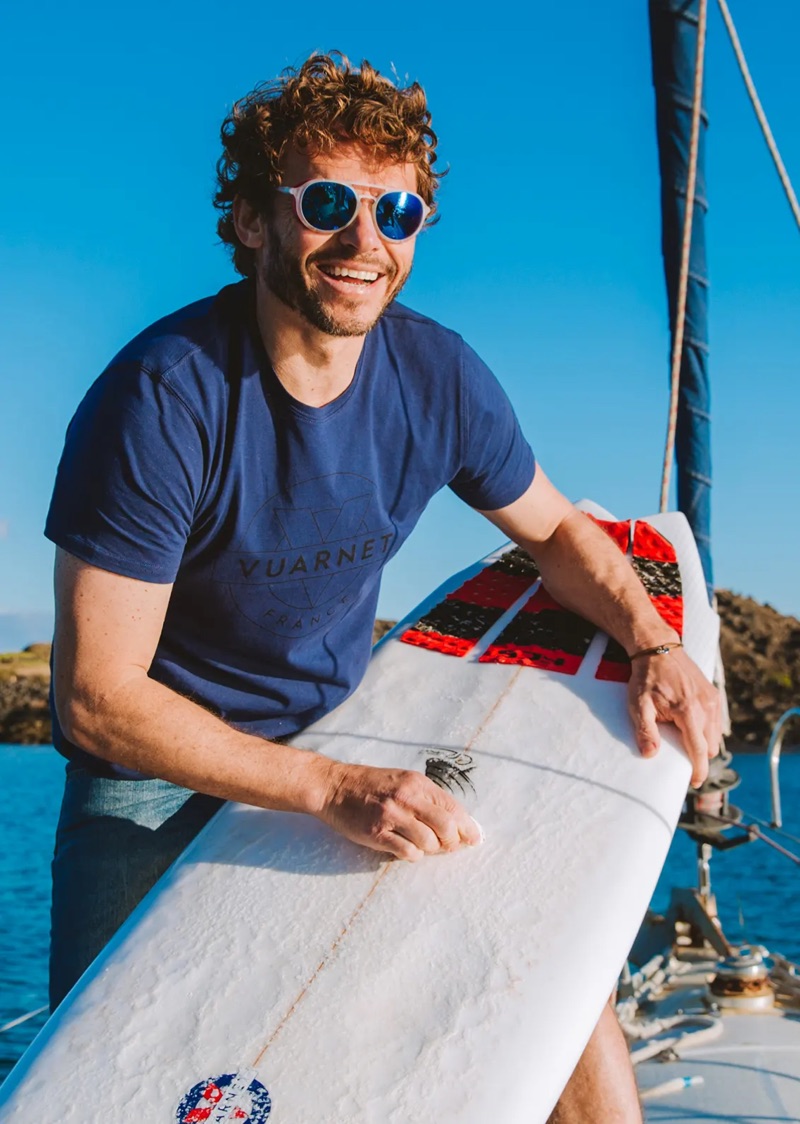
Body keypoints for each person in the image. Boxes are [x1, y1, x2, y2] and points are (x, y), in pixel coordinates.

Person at [46, 52, 720, 1122]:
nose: (366, 242)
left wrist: (649, 640)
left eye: (397, 211)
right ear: (254, 223)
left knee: (539, 972)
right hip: (156, 773)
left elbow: (554, 532)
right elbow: (95, 697)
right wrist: (326, 790)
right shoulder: (161, 399)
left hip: (341, 730)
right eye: (327, 205)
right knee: (119, 1082)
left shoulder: (435, 375)